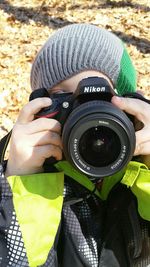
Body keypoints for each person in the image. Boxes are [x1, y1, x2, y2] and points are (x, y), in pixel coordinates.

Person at [0, 23, 150, 267]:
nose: (86, 114)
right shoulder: (27, 180)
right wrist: (23, 184)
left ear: (131, 107)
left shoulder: (140, 177)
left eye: (101, 97)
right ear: (42, 109)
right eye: (64, 97)